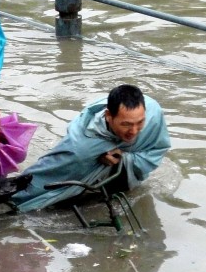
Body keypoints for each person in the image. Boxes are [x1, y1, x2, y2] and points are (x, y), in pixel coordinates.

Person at [12, 84, 171, 212]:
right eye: (126, 124)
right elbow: (48, 170)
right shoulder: (82, 144)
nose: (134, 131)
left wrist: (124, 156)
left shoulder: (153, 116)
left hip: (124, 173)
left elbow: (156, 150)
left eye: (139, 123)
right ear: (108, 116)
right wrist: (14, 194)